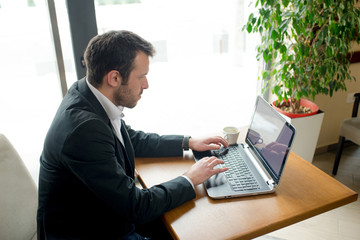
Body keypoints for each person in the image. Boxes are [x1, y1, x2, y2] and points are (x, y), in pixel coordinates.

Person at [37, 30, 229, 240]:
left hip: (106, 215)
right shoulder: (84, 130)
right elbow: (137, 206)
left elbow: (133, 139)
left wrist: (188, 142)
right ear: (114, 77)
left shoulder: (87, 94)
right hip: (92, 231)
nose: (146, 85)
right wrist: (190, 178)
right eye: (141, 77)